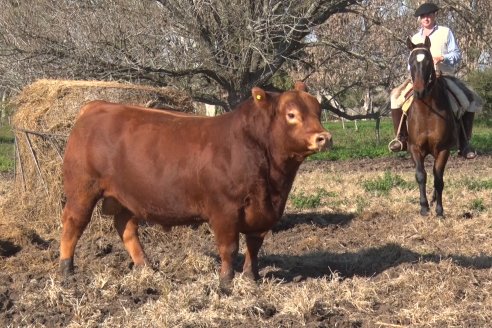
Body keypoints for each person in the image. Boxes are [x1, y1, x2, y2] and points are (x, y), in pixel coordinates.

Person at [389, 2, 482, 159]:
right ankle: (401, 138)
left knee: (468, 100)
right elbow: (409, 63)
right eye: (423, 16)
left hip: (443, 76)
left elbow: (456, 54)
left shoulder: (445, 32)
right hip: (419, 78)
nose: (426, 18)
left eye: (429, 15)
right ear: (420, 19)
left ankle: (464, 143)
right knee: (395, 99)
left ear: (434, 16)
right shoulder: (415, 38)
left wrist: (443, 57)